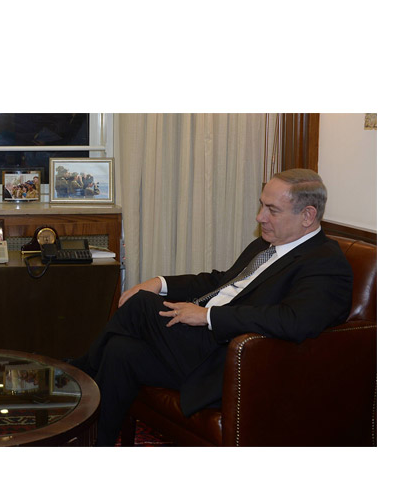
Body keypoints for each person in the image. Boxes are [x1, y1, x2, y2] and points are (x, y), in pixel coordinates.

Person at [69, 168, 353, 445]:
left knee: (140, 306)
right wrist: (159, 282)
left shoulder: (324, 262)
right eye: (261, 206)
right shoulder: (266, 245)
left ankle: (74, 376)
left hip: (226, 356)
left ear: (307, 216)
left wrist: (208, 316)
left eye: (272, 210)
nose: (260, 217)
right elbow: (222, 282)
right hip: (198, 346)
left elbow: (295, 320)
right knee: (121, 351)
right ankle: (95, 444)